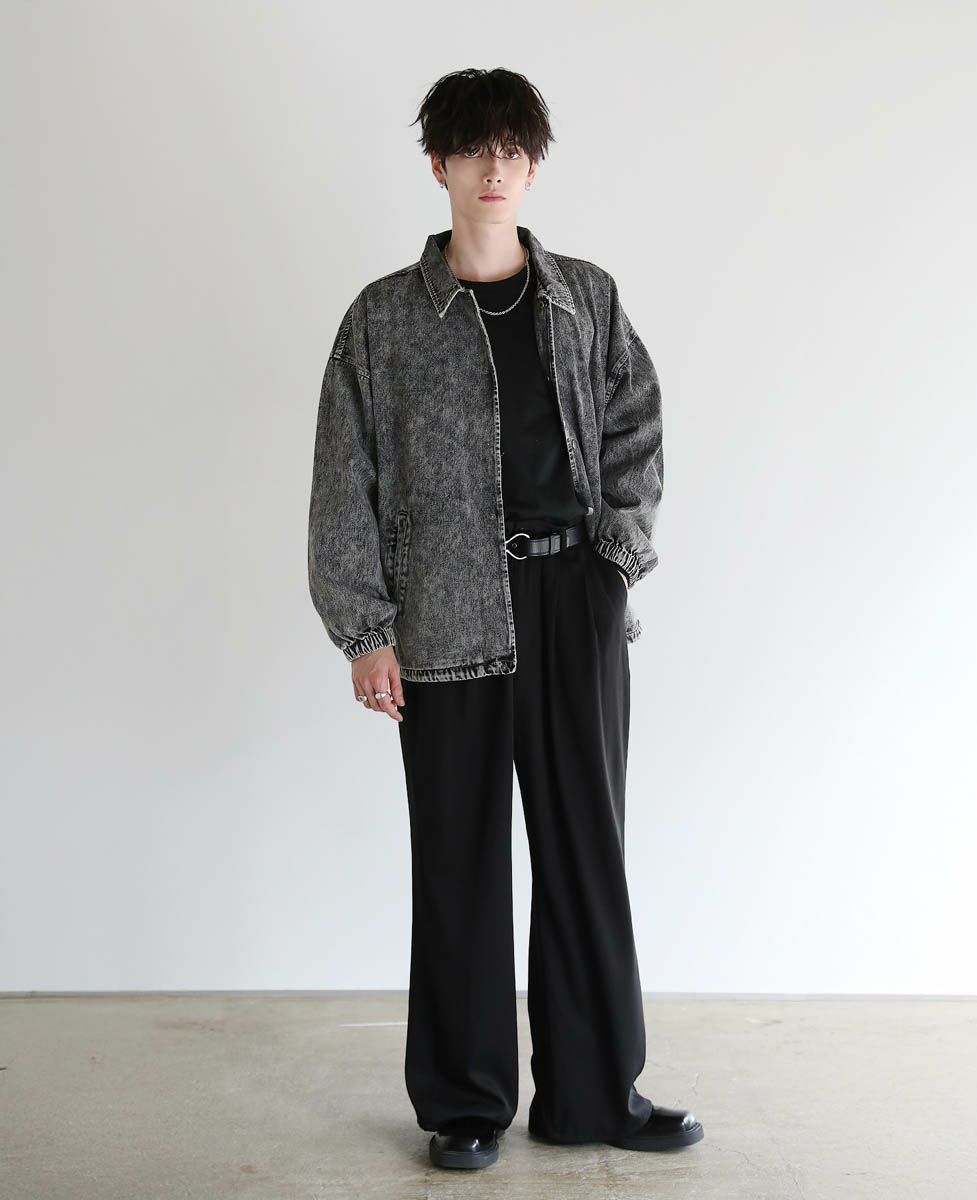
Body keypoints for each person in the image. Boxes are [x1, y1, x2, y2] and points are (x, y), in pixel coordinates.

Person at [307, 66, 704, 1170]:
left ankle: (594, 1093)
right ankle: (466, 1103)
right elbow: (344, 478)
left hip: (573, 602)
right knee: (459, 861)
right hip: (442, 616)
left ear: (532, 166)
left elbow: (635, 427)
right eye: (475, 149)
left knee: (585, 852)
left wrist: (615, 561)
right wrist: (364, 629)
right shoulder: (383, 320)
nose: (496, 168)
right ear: (437, 163)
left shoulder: (586, 297)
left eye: (515, 150)